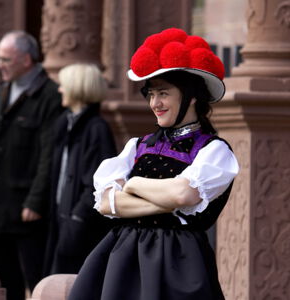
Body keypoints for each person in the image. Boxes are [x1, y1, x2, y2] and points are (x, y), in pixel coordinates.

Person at [68, 28, 240, 300]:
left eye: (163, 94)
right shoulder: (137, 146)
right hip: (122, 259)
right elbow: (105, 203)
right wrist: (172, 204)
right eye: (150, 94)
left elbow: (183, 193)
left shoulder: (214, 151)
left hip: (179, 263)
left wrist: (133, 185)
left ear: (191, 96)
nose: (155, 103)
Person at [0, 30, 62, 300]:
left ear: (27, 60)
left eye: (5, 59)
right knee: (5, 276)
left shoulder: (50, 95)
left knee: (36, 275)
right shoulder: (0, 92)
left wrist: (35, 201)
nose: (0, 65)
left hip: (27, 208)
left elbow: (48, 154)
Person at [44, 63, 117, 275]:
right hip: (60, 219)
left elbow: (98, 182)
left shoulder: (96, 129)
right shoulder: (65, 124)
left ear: (78, 87)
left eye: (63, 85)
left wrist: (77, 220)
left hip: (81, 228)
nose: (59, 90)